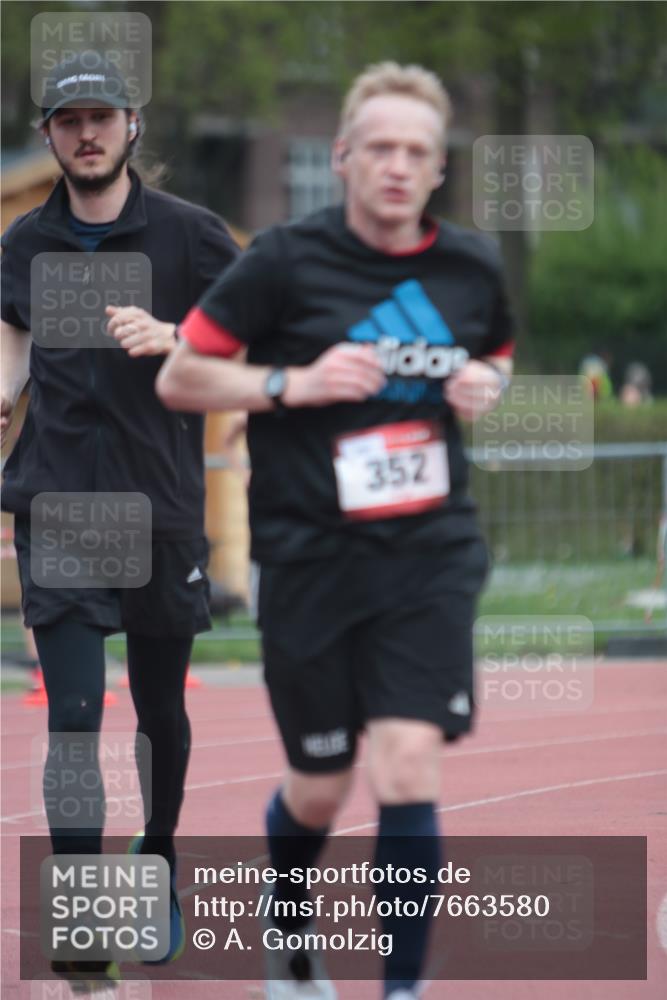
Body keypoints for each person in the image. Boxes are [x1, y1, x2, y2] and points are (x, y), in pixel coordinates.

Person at [158, 62, 514, 999]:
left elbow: (496, 352)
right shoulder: (282, 261)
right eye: (380, 148)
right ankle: (288, 922)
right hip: (308, 556)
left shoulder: (470, 267)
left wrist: (485, 383)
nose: (398, 165)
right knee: (321, 783)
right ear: (344, 156)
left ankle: (401, 987)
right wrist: (293, 382)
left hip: (428, 553)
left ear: (438, 169)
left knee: (406, 760)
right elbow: (180, 378)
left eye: (417, 152)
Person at [0, 52, 238, 985]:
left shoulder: (190, 237)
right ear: (49, 136)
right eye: (68, 122)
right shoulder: (25, 244)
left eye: (101, 117)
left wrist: (177, 336)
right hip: (58, 503)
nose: (86, 134)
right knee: (72, 716)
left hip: (158, 509)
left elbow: (252, 340)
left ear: (132, 123)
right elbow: (13, 344)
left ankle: (160, 851)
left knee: (158, 714)